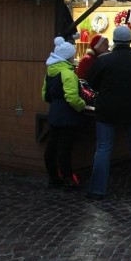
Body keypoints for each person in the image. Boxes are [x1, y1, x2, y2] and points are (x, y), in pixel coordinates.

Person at [86, 26, 131, 199]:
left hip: (107, 109)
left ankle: (97, 190)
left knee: (103, 149)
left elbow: (91, 83)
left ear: (114, 41)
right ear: (130, 40)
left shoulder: (103, 60)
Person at [42, 37, 85, 189]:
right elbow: (72, 98)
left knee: (52, 147)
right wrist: (82, 105)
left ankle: (53, 177)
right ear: (68, 57)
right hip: (68, 116)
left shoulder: (50, 72)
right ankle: (67, 178)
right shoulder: (68, 73)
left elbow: (45, 95)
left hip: (54, 114)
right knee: (65, 149)